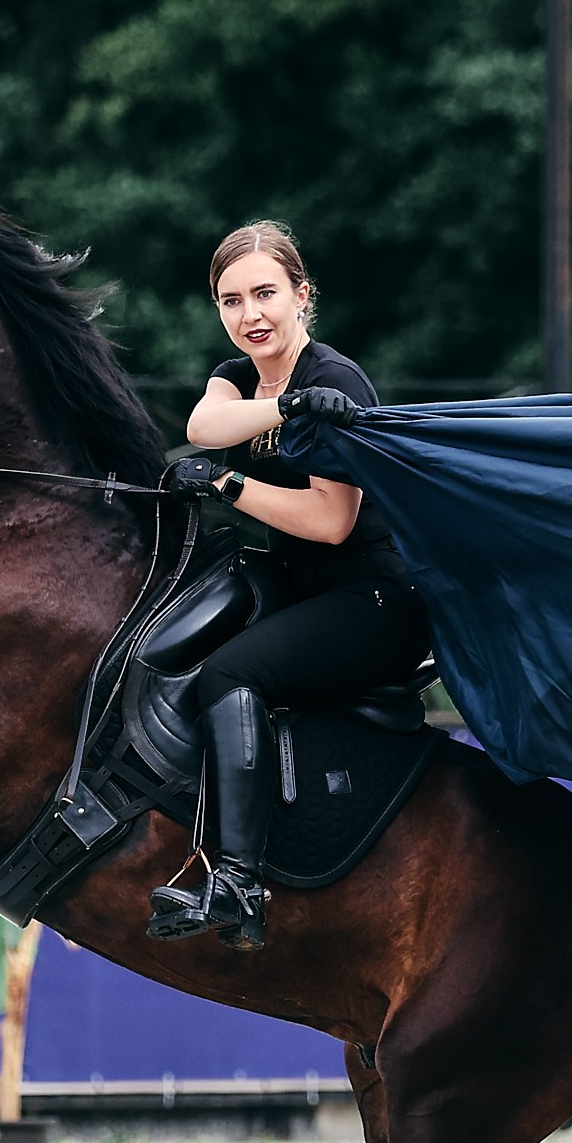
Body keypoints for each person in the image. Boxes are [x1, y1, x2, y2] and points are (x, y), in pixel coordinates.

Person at [147, 221, 429, 950]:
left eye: (266, 293)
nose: (251, 315)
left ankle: (238, 882)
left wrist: (229, 483)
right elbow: (204, 424)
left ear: (303, 296)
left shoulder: (335, 381)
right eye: (231, 300)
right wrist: (283, 409)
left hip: (373, 602)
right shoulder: (240, 377)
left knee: (231, 671)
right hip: (303, 586)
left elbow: (332, 521)